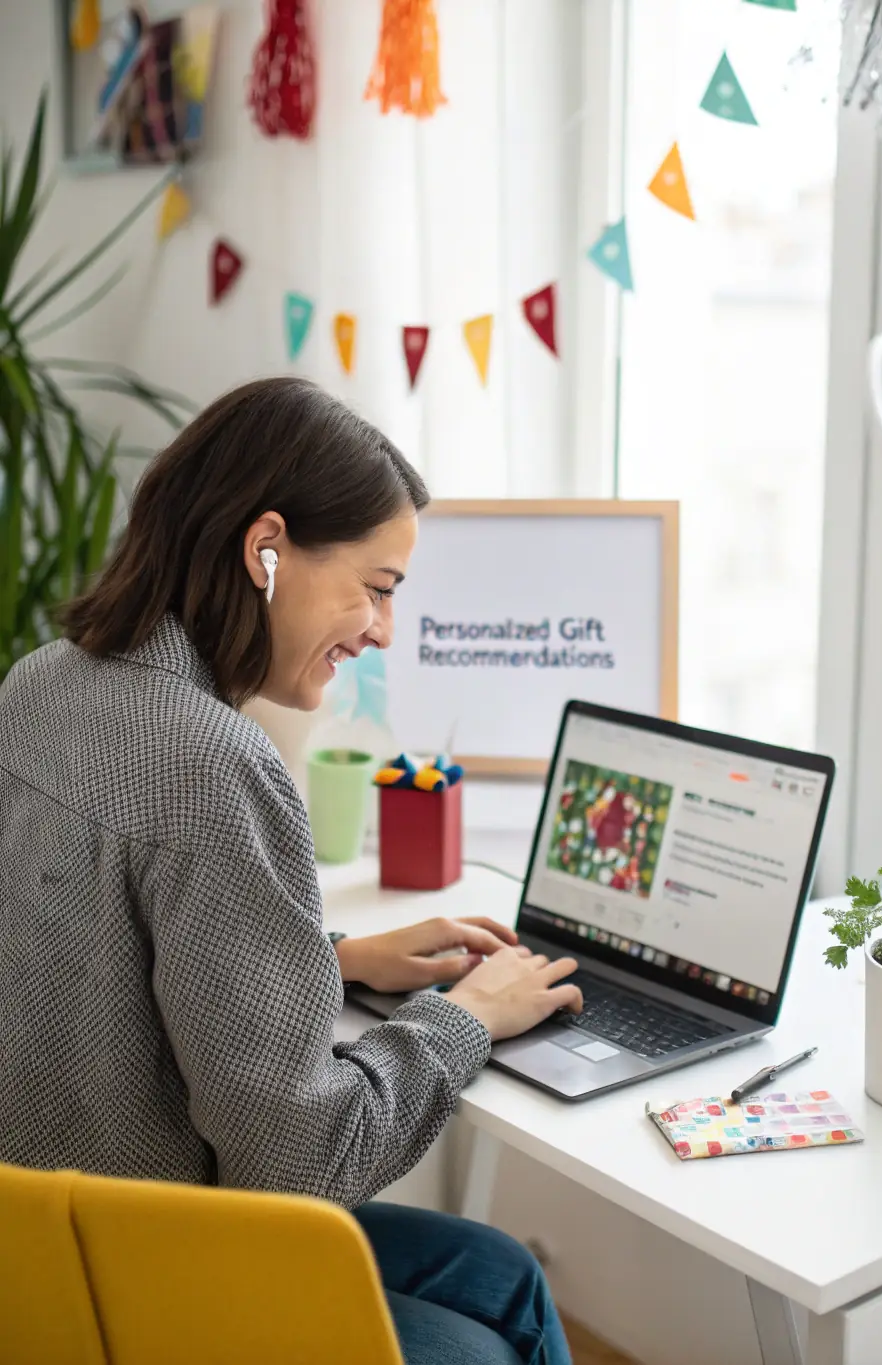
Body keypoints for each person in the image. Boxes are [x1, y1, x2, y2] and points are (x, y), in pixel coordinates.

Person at [0, 377, 583, 1365]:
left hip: (37, 1252)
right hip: (151, 1275)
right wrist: (466, 1017)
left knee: (503, 1278)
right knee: (490, 1342)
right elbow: (300, 1163)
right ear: (265, 548)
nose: (383, 632)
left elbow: (98, 948)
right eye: (378, 587)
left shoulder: (41, 682)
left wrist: (335, 957)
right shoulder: (215, 764)